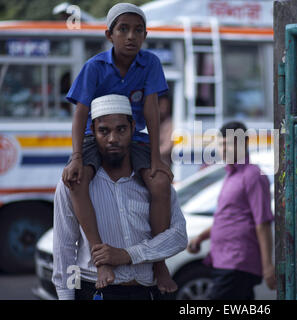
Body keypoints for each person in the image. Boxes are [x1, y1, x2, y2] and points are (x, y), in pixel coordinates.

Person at [62, 3, 175, 292]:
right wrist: (77, 157)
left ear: (145, 35)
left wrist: (157, 158)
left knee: (160, 183)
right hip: (94, 136)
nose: (130, 36)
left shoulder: (150, 63)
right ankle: (101, 258)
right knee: (77, 182)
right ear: (109, 34)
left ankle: (159, 263)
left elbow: (151, 109)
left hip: (133, 137)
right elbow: (80, 114)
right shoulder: (95, 66)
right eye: (122, 29)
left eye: (138, 30)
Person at [52, 94, 187, 300]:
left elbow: (178, 237)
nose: (113, 138)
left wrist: (128, 255)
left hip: (147, 291)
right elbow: (65, 248)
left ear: (133, 129)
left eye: (121, 129)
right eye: (104, 131)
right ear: (93, 133)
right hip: (94, 290)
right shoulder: (74, 184)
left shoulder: (153, 181)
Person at [187, 121, 276, 300]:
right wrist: (201, 237)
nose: (223, 149)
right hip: (224, 260)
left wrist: (268, 266)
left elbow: (262, 222)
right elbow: (228, 218)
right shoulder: (231, 175)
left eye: (229, 143)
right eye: (221, 144)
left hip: (237, 261)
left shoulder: (253, 175)